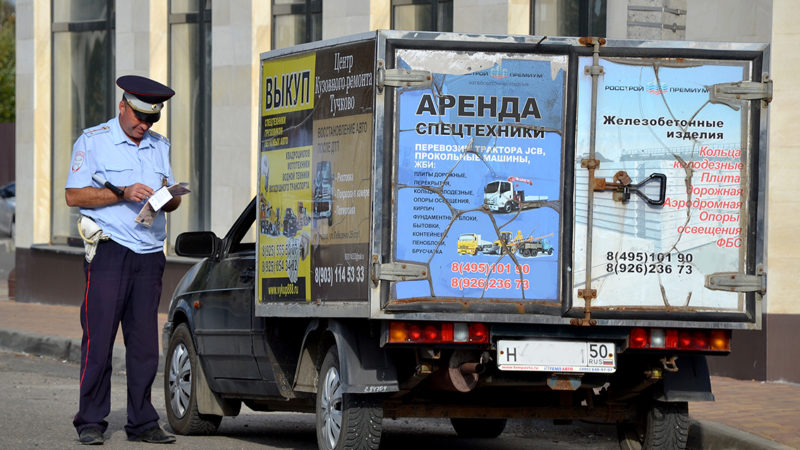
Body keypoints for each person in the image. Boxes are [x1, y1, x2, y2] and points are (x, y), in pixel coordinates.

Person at [65, 75, 181, 445]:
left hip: (149, 254)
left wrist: (167, 196)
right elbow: (73, 195)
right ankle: (90, 420)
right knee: (99, 340)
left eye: (150, 120)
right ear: (122, 106)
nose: (143, 126)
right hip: (110, 251)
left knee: (145, 344)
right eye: (139, 118)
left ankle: (143, 422)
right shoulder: (94, 140)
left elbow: (174, 197)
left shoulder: (159, 145)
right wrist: (121, 193)